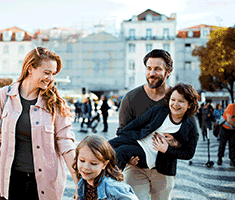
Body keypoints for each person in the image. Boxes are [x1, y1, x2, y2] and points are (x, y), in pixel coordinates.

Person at [0, 47, 78, 200]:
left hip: (44, 183)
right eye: (47, 72)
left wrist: (78, 182)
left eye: (53, 74)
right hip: (9, 181)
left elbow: (66, 144)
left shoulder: (55, 104)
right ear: (30, 69)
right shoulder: (5, 96)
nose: (50, 78)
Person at [117, 49, 182, 200]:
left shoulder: (178, 98)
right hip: (136, 166)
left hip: (165, 167)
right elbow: (122, 132)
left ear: (168, 72)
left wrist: (174, 143)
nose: (152, 73)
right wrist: (127, 156)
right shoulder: (131, 98)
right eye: (149, 68)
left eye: (158, 69)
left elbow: (189, 135)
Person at [110, 83, 199, 180]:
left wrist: (167, 150)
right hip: (139, 141)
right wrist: (120, 134)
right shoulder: (159, 111)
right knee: (107, 145)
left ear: (189, 105)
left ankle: (111, 184)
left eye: (181, 101)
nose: (175, 104)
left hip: (151, 156)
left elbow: (189, 153)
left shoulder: (190, 127)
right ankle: (96, 178)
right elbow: (137, 123)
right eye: (173, 100)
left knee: (121, 152)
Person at [73, 135, 138, 200]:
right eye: (82, 161)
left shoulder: (112, 188)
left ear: (104, 164)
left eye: (93, 163)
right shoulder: (83, 183)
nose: (86, 167)